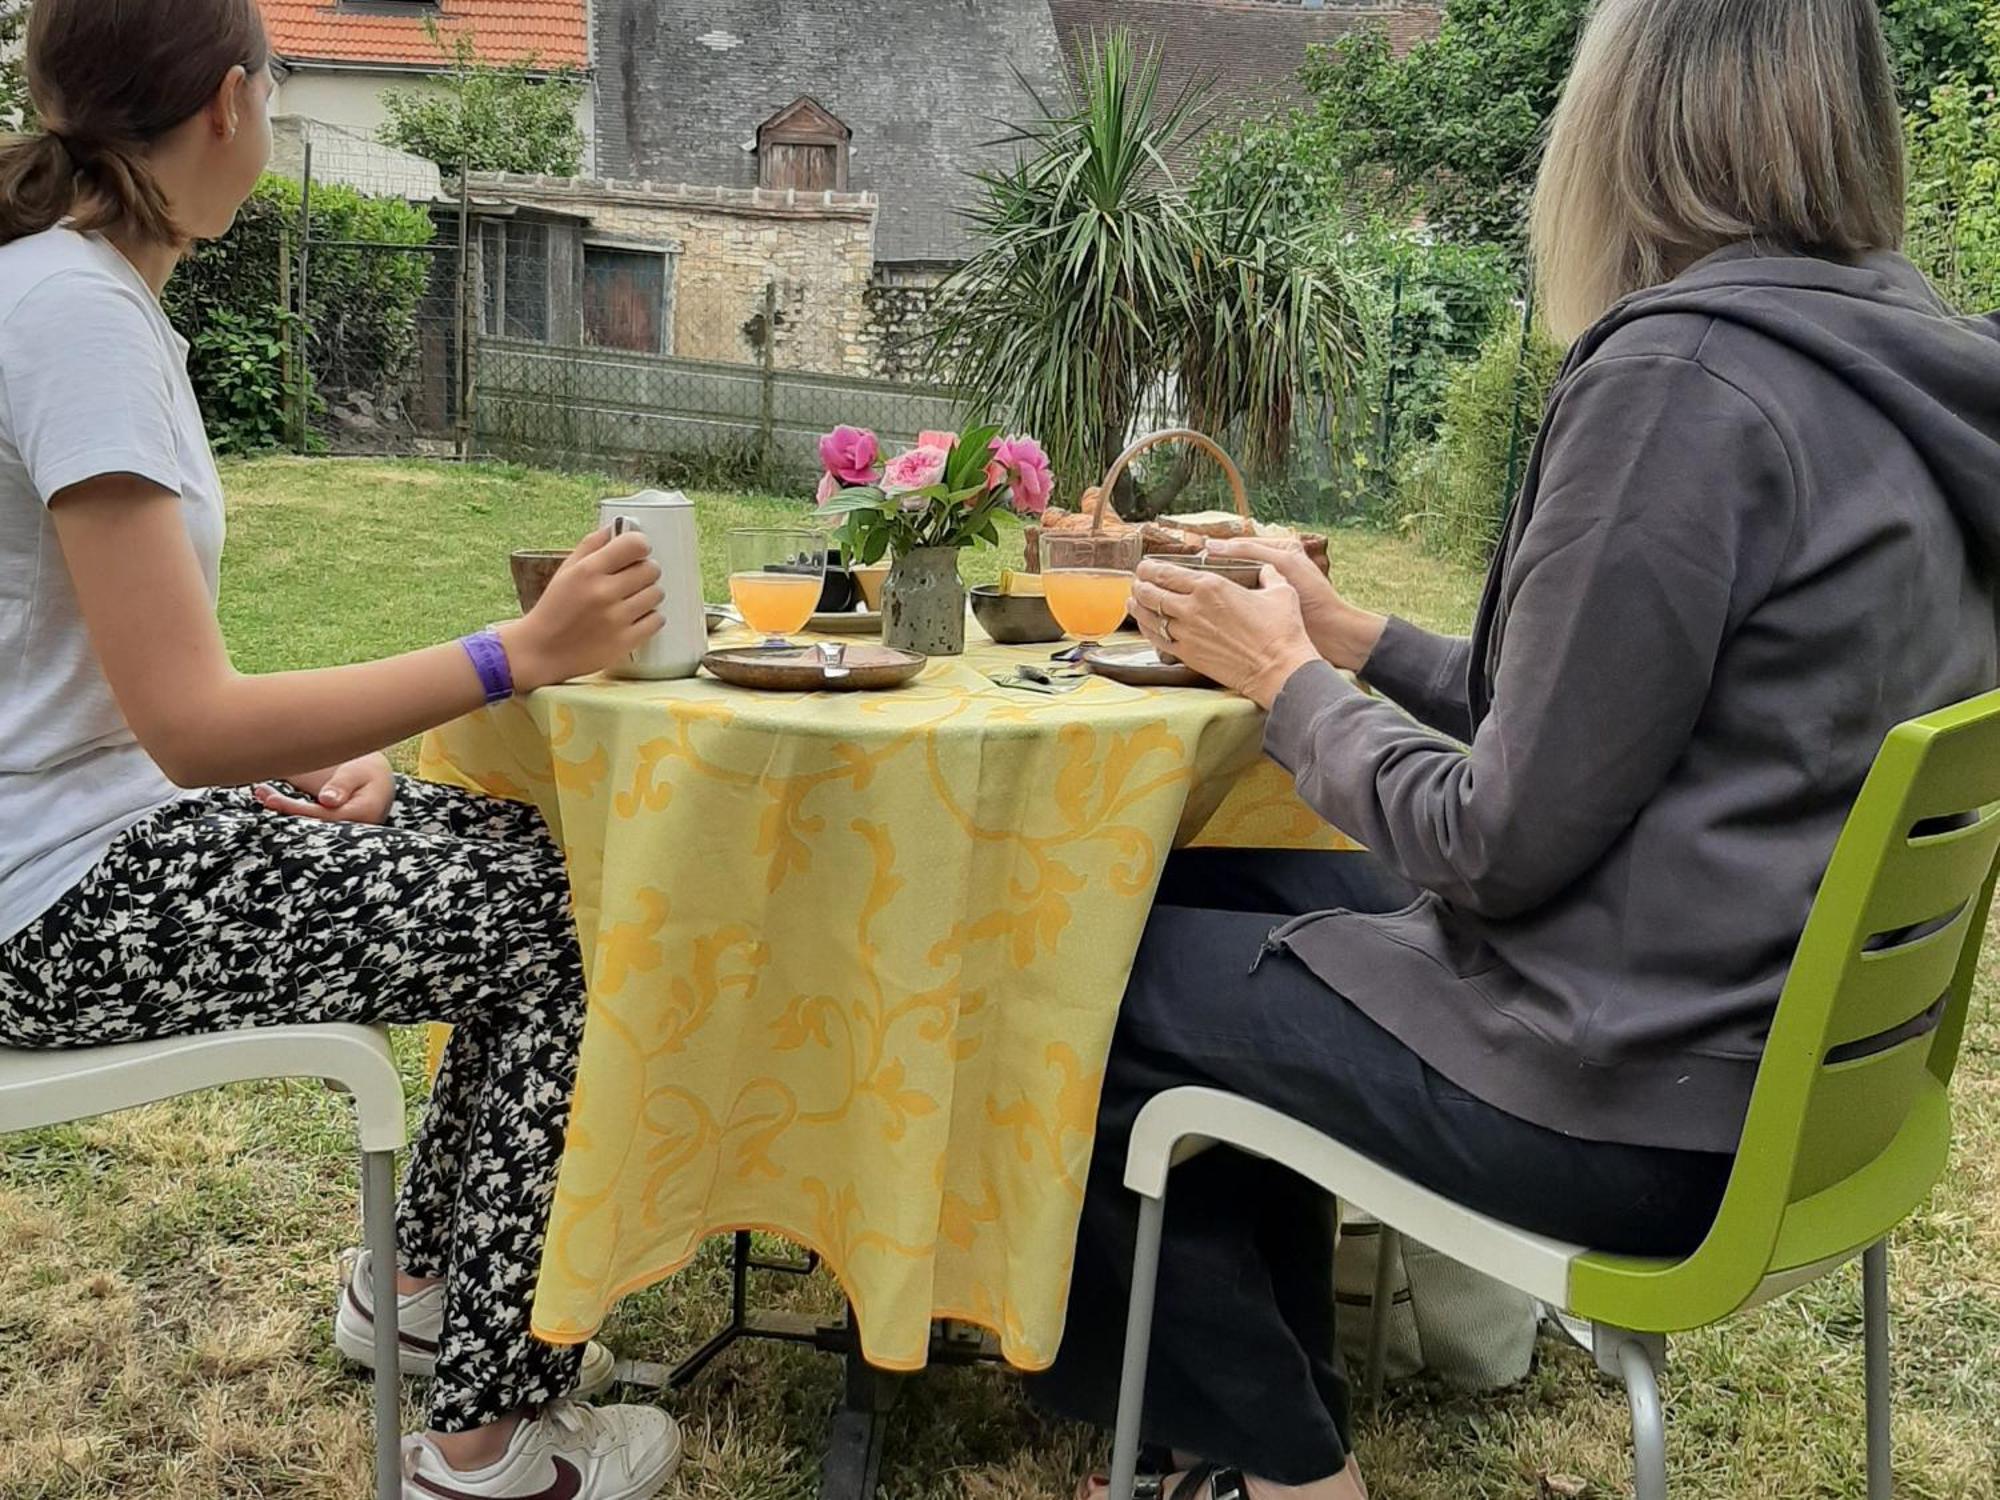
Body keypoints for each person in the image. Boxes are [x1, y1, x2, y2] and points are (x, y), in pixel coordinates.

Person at [1032, 0, 2000, 1495]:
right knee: (1245, 909)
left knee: (1062, 969)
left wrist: (1284, 684)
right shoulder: (1911, 376)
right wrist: (1355, 644)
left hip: (1620, 1097)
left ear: (1630, 116)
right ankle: (1228, 1425)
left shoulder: (1681, 384)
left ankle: (1271, 1462)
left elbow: (1491, 838)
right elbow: (1613, 721)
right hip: (1799, 1097)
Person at [0, 3, 684, 1496]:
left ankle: (425, 1293)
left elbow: (121, 706)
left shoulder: (77, 293)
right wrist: (522, 655)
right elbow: (184, 722)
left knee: (538, 856)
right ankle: (494, 1441)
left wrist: (285, 777)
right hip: (51, 902)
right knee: (571, 917)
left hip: (84, 843)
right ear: (235, 105)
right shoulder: (76, 316)